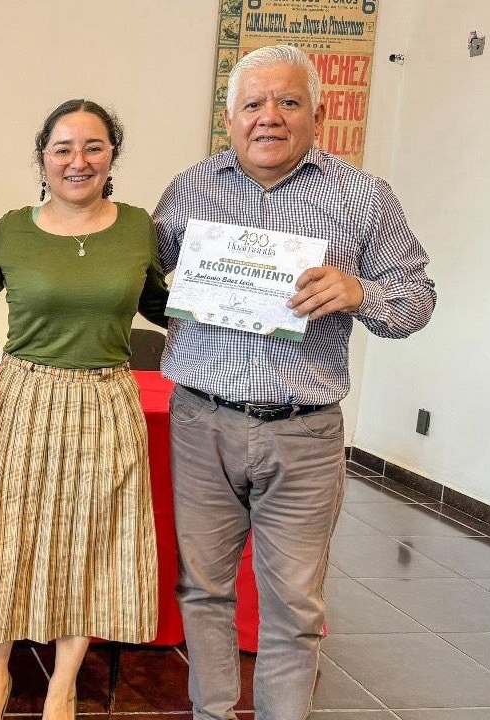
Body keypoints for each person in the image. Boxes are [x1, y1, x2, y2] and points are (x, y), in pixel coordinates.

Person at [152, 45, 436, 720]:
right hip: (202, 423)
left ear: (320, 111)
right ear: (231, 118)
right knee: (204, 592)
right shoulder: (190, 187)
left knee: (294, 608)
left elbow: (416, 298)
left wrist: (359, 290)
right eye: (253, 104)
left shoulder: (363, 197)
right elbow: (135, 273)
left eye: (287, 102)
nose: (269, 118)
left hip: (304, 434)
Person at [0, 99, 168, 720]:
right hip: (23, 397)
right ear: (43, 160)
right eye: (63, 149)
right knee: (5, 538)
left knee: (92, 541)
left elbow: (161, 304)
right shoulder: (13, 229)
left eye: (93, 147)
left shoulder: (136, 227)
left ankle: (62, 685)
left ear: (112, 157)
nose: (79, 161)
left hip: (107, 398)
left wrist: (247, 306)